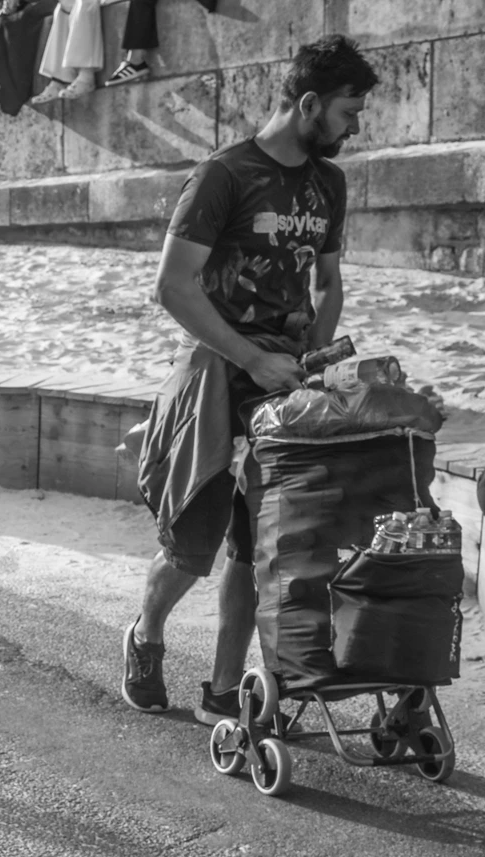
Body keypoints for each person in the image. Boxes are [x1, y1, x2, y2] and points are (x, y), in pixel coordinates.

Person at [124, 36, 375, 723]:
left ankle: (224, 690)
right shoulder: (223, 176)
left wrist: (314, 364)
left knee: (254, 543)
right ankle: (146, 635)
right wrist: (252, 358)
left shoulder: (330, 184)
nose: (354, 127)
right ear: (307, 104)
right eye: (348, 112)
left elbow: (327, 282)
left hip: (284, 387)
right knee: (193, 545)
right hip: (214, 373)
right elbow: (173, 288)